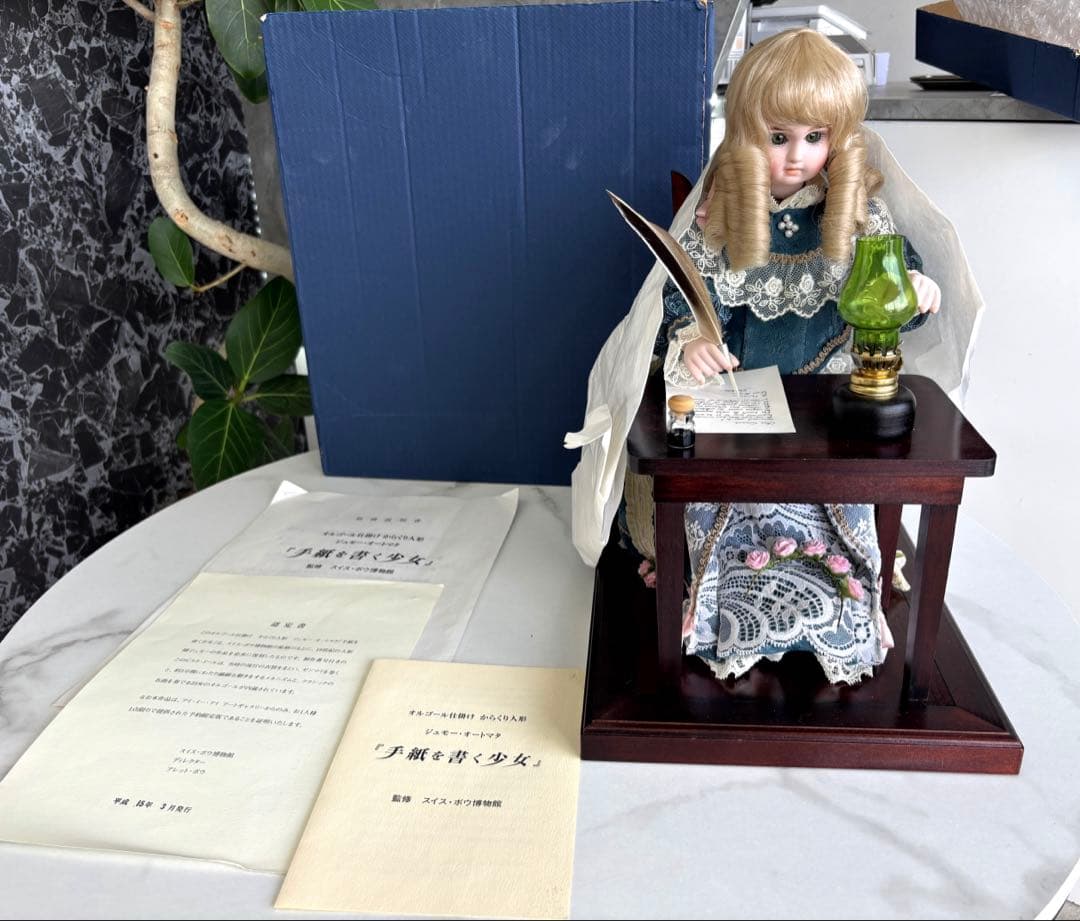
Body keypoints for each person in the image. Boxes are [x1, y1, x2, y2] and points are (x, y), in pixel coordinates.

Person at [631, 29, 942, 684]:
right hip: (743, 394)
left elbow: (888, 286)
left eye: (814, 137)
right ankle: (711, 598)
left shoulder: (855, 211)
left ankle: (855, 600)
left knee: (838, 493)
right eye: (778, 137)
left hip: (825, 393)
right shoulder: (724, 208)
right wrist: (697, 339)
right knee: (723, 492)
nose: (796, 156)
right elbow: (689, 290)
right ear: (749, 134)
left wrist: (913, 288)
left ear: (838, 138)